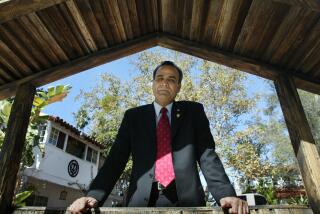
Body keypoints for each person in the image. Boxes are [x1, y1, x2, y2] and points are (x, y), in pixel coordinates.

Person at [69, 61, 249, 213]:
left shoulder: (193, 112)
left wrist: (226, 193)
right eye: (160, 78)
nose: (164, 83)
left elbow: (207, 155)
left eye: (171, 80)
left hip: (186, 202)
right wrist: (92, 196)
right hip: (140, 203)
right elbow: (116, 160)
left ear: (178, 87)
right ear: (153, 84)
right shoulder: (133, 117)